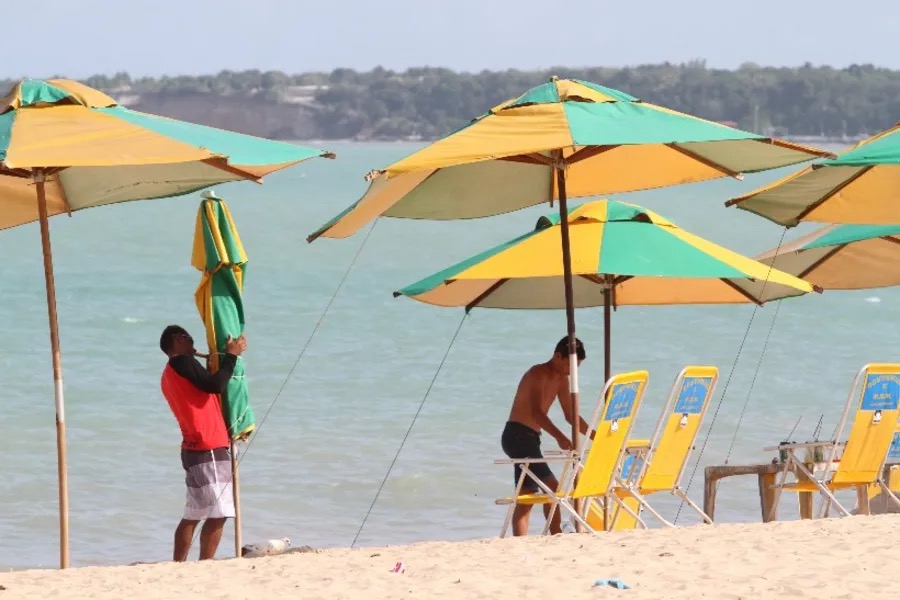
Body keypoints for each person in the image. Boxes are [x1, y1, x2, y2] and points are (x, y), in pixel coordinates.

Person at [159, 324, 247, 562]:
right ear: (178, 339)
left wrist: (213, 368)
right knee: (220, 512)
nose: (192, 342)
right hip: (207, 447)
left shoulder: (170, 373)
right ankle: (206, 564)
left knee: (194, 513)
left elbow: (207, 386)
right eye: (188, 338)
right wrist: (231, 357)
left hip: (193, 448)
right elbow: (214, 385)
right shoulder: (182, 363)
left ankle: (178, 565)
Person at [501, 336, 591, 536]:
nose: (572, 372)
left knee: (526, 498)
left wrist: (594, 434)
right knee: (552, 487)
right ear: (558, 356)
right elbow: (536, 413)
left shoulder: (562, 380)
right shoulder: (537, 374)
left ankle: (518, 542)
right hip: (516, 436)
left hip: (531, 438)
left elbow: (571, 416)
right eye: (571, 366)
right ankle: (556, 534)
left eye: (577, 368)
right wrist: (560, 437)